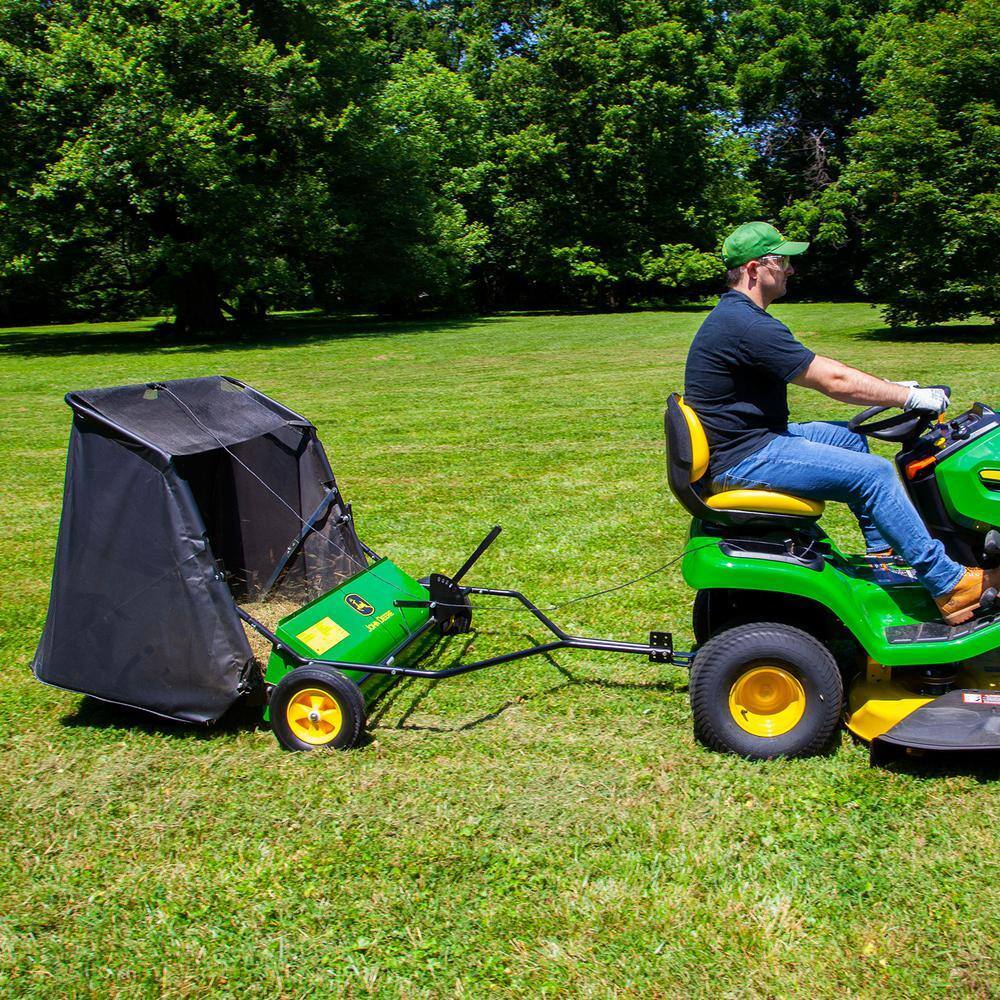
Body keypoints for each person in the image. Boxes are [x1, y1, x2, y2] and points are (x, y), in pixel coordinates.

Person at [683, 221, 997, 625]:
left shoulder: (738, 317)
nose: (791, 270)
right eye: (783, 261)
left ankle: (885, 555)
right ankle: (950, 585)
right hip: (743, 457)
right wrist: (910, 397)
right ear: (755, 268)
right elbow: (833, 380)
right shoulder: (746, 325)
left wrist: (891, 387)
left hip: (745, 442)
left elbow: (823, 370)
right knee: (875, 475)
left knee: (849, 437)